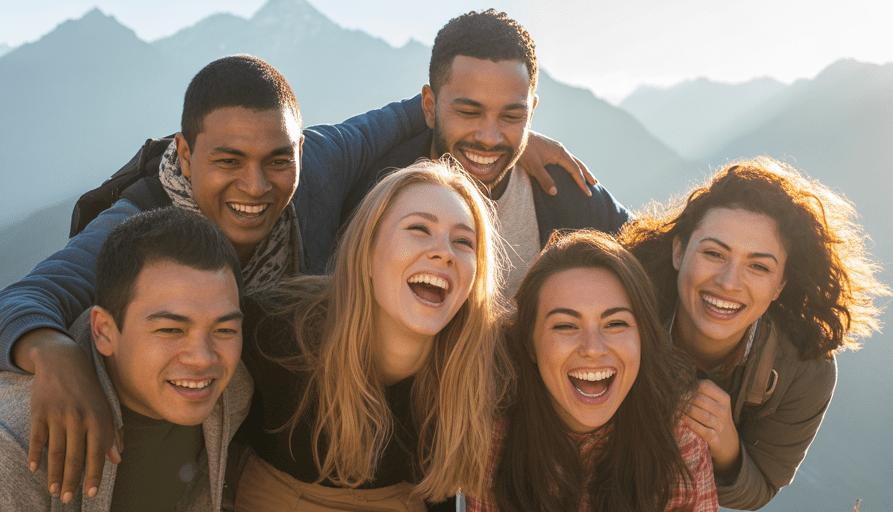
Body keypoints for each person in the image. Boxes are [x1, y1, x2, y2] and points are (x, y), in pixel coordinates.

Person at [0, 54, 586, 503]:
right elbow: (14, 303)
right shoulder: (141, 230)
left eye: (275, 159)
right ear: (184, 153)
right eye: (228, 160)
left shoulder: (314, 163)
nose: (256, 186)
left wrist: (500, 137)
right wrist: (54, 354)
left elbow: (405, 114)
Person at [230, 158, 504, 511]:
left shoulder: (484, 369)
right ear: (368, 250)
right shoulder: (274, 335)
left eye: (464, 242)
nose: (444, 252)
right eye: (419, 228)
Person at [619, 157, 889, 509]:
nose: (729, 282)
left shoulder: (805, 369)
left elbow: (761, 489)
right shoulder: (620, 302)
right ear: (678, 251)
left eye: (758, 267)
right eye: (714, 253)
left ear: (780, 286)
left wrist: (728, 449)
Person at [0, 207, 252, 511]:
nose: (202, 358)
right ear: (104, 331)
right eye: (170, 329)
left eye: (224, 328)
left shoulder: (232, 393)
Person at [343, 9, 631, 296]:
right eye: (469, 112)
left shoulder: (560, 190)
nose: (489, 138)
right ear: (429, 107)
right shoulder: (378, 193)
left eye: (510, 116)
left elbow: (651, 250)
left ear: (530, 114)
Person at [467, 230, 717, 512]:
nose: (593, 349)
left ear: (643, 338)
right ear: (530, 344)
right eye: (565, 326)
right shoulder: (492, 436)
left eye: (615, 324)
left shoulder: (678, 434)